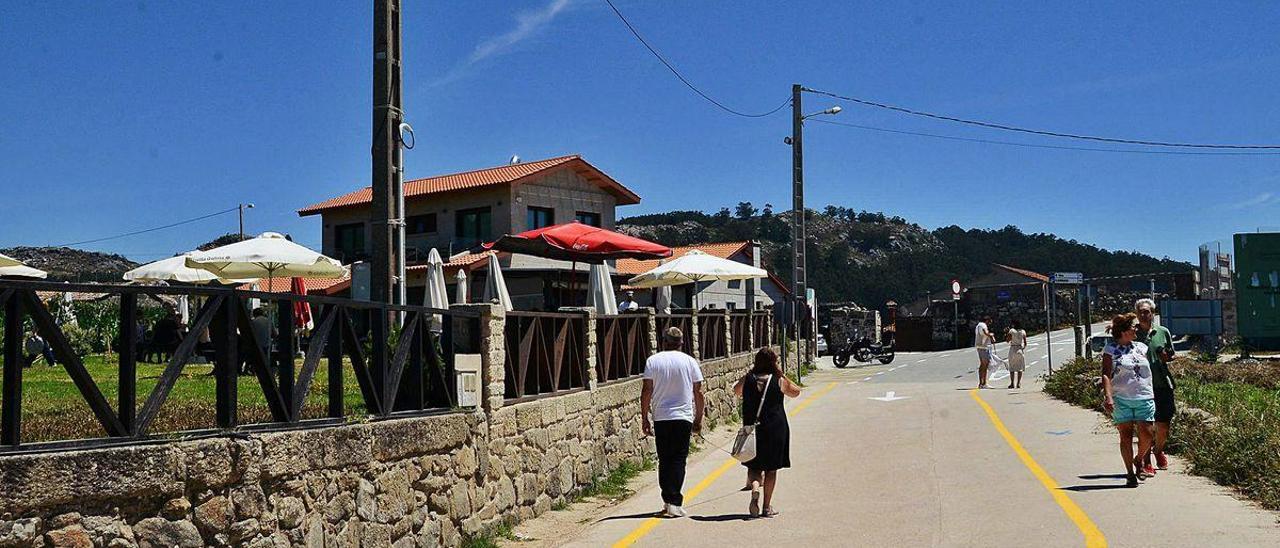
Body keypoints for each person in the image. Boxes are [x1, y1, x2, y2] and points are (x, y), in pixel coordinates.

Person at [641, 326, 704, 518]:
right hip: (683, 417)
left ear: (663, 341)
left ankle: (668, 500)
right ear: (682, 343)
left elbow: (646, 390)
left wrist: (644, 416)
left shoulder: (653, 361)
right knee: (678, 460)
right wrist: (698, 418)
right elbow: (698, 392)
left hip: (662, 417)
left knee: (665, 459)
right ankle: (673, 501)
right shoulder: (690, 362)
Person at [733, 348, 801, 518]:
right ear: (773, 362)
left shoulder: (748, 378)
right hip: (775, 428)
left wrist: (749, 374)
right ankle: (766, 507)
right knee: (771, 469)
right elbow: (796, 391)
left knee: (754, 466)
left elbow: (736, 390)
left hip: (753, 430)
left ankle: (755, 487)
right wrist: (781, 374)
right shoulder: (778, 379)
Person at [1101, 312, 1156, 488]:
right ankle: (1130, 474)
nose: (1136, 329)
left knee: (1148, 434)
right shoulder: (1110, 350)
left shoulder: (1142, 347)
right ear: (1125, 331)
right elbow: (1106, 374)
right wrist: (1108, 396)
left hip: (1144, 395)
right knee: (1125, 435)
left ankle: (1139, 459)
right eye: (1133, 327)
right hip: (1121, 398)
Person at [1135, 298, 1175, 475]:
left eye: (1146, 311)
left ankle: (1158, 450)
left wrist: (1165, 356)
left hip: (1162, 383)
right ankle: (1146, 460)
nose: (1143, 315)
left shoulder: (1163, 332)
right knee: (1146, 425)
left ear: (1153, 313)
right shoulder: (1133, 333)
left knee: (1164, 424)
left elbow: (1171, 355)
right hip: (1141, 387)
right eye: (1140, 312)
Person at [1005, 320, 1027, 389]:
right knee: (1020, 368)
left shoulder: (1011, 331)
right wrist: (1022, 348)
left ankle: (1012, 383)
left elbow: (1007, 340)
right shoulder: (1023, 331)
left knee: (1012, 368)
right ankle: (1018, 383)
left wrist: (1007, 333)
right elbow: (1025, 343)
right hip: (1019, 349)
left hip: (1013, 349)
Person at [974, 315, 994, 388]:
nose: (989, 324)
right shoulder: (983, 325)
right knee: (985, 364)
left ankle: (981, 383)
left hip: (980, 346)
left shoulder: (978, 325)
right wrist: (991, 335)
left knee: (983, 364)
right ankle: (983, 383)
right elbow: (985, 332)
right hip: (983, 346)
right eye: (989, 322)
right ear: (987, 321)